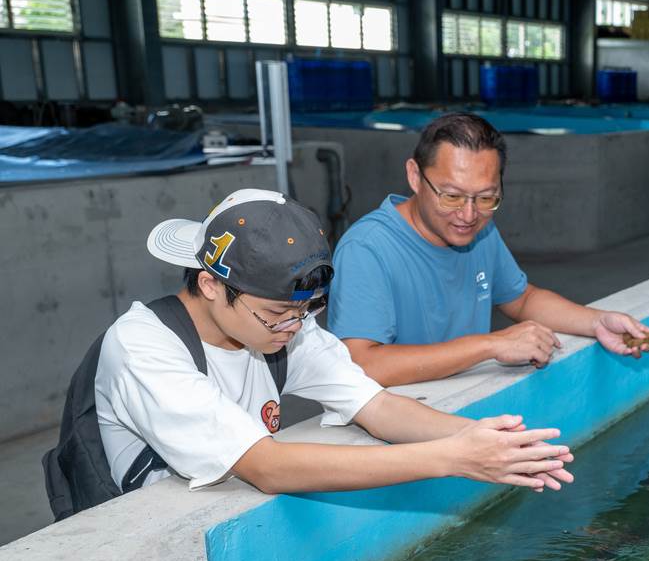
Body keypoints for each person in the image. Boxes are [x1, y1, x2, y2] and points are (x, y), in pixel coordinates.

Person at [94, 188, 574, 497]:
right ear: (211, 285)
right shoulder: (143, 348)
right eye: (279, 313)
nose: (294, 328)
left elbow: (374, 404)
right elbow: (267, 467)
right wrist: (451, 458)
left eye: (305, 311)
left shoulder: (285, 328)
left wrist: (481, 437)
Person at [327, 112, 649, 387]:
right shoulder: (368, 248)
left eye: (486, 197)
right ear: (415, 176)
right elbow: (363, 363)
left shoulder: (479, 231)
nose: (469, 214)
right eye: (452, 195)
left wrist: (596, 322)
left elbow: (521, 299)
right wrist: (490, 344)